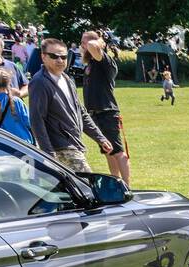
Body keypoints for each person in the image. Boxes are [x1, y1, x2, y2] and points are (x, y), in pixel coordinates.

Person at [28, 38, 112, 174]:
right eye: (54, 56)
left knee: (67, 191)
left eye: (63, 57)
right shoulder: (40, 82)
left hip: (74, 144)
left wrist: (100, 138)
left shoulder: (67, 79)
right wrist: (48, 153)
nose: (60, 60)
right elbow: (37, 120)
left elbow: (81, 112)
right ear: (43, 57)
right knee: (87, 187)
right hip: (60, 148)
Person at [79, 32, 129, 184]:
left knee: (118, 152)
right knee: (108, 151)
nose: (82, 45)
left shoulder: (104, 61)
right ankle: (116, 183)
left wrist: (99, 40)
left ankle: (127, 186)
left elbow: (93, 46)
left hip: (107, 112)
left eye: (84, 42)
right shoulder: (91, 63)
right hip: (95, 114)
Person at [0, 67, 33, 143]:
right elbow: (29, 123)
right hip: (22, 143)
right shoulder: (17, 101)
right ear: (9, 82)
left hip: (2, 146)